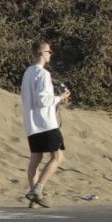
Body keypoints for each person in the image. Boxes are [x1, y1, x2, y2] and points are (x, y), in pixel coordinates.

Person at [21, 38, 71, 207]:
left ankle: (34, 197)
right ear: (41, 53)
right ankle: (37, 189)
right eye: (49, 51)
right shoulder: (43, 73)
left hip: (31, 123)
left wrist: (56, 100)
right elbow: (42, 100)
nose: (51, 54)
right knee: (58, 157)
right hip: (46, 123)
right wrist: (60, 97)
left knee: (36, 158)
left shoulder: (28, 72)